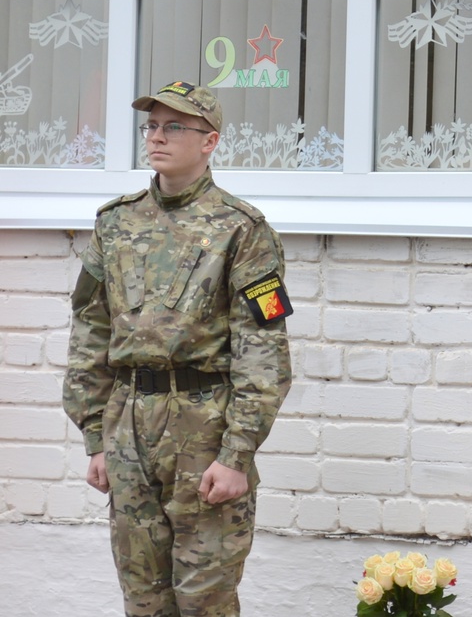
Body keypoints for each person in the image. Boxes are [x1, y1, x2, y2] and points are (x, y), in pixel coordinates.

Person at [63, 81, 293, 617]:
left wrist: (237, 455)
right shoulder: (115, 222)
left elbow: (264, 352)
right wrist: (95, 435)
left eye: (174, 127)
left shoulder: (243, 230)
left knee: (204, 598)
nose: (157, 137)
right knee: (142, 597)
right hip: (128, 424)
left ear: (209, 141)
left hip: (203, 426)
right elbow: (90, 330)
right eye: (152, 126)